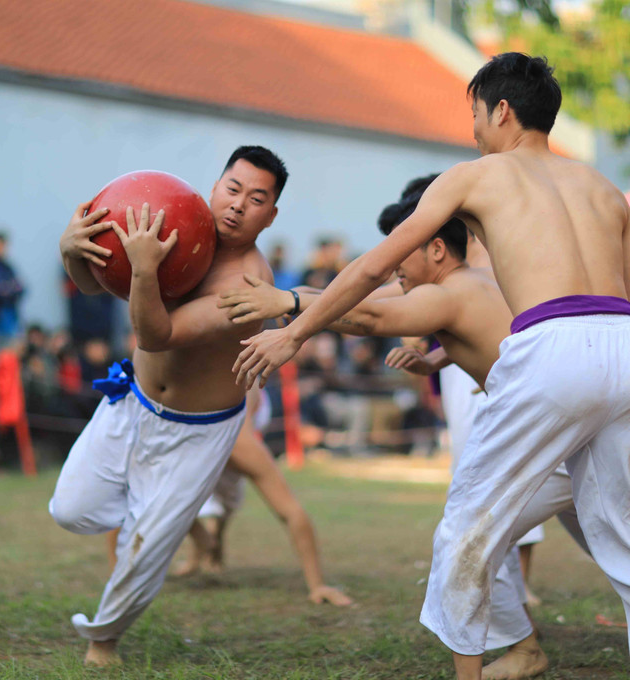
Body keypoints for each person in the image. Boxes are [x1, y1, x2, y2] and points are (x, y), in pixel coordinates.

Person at [233, 53, 630, 680]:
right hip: (622, 346)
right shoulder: (605, 188)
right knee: (623, 528)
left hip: (552, 349)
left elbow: (370, 269)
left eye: (474, 114)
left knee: (468, 525)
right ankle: (517, 648)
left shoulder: (476, 176)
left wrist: (295, 333)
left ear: (501, 111)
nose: (472, 129)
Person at [50, 146, 287, 666]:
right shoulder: (175, 221)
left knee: (145, 550)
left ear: (270, 216)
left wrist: (142, 270)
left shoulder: (250, 284)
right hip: (131, 400)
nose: (237, 205)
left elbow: (158, 335)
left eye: (256, 199)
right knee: (69, 508)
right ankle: (149, 513)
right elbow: (93, 281)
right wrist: (70, 249)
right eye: (232, 188)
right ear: (215, 185)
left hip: (196, 431)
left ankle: (104, 640)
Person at [172, 387, 353, 606]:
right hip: (202, 424)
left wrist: (318, 585)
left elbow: (291, 512)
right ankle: (204, 546)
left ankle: (212, 542)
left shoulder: (241, 441)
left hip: (233, 422)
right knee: (178, 498)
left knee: (220, 501)